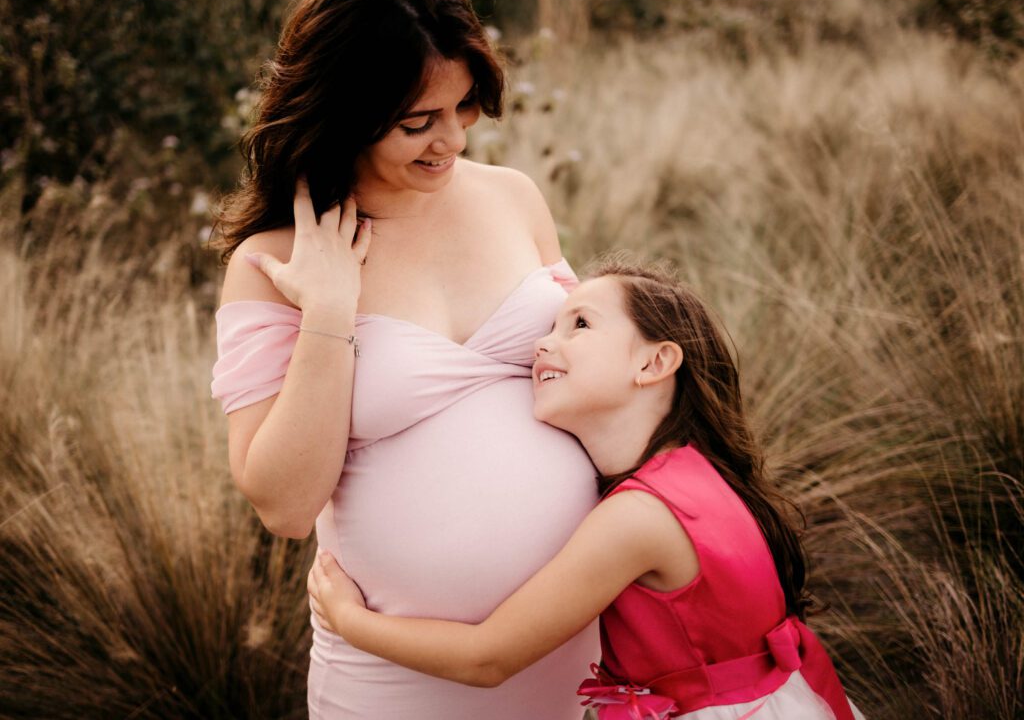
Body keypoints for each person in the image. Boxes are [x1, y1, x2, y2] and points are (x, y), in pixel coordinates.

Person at [209, 0, 599, 717]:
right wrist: (329, 310)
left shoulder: (513, 196)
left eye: (463, 106)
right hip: (395, 678)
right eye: (419, 122)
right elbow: (286, 506)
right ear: (346, 113)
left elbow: (597, 380)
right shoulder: (272, 262)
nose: (452, 139)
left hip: (578, 641)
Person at [307, 257, 867, 720]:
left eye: (579, 325)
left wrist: (350, 621)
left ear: (655, 361)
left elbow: (487, 658)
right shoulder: (697, 475)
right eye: (550, 326)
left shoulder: (640, 517)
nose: (541, 345)